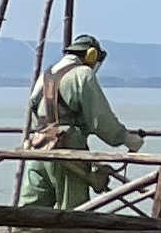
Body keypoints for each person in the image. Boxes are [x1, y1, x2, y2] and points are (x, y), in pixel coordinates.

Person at [22, 34, 142, 213]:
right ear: (91, 55)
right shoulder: (82, 74)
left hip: (38, 147)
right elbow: (99, 118)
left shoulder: (45, 75)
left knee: (30, 210)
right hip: (68, 149)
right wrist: (125, 138)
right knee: (73, 211)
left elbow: (33, 109)